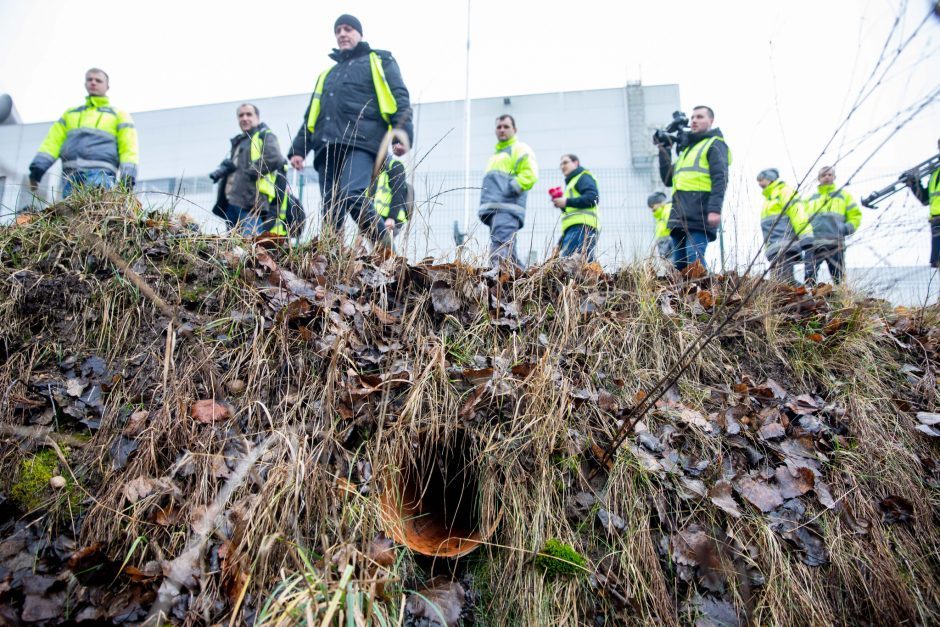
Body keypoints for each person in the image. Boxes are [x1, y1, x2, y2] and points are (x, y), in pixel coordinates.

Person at [288, 14, 413, 245]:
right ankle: (329, 264)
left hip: (363, 142)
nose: (342, 34)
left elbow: (399, 96)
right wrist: (298, 149)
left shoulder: (379, 60)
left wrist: (403, 133)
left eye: (348, 29)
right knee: (331, 209)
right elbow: (313, 115)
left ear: (360, 34)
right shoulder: (327, 75)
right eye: (338, 30)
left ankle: (388, 252)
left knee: (352, 194)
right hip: (327, 147)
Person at [28, 68, 139, 197]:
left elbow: (129, 147)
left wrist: (128, 176)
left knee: (97, 212)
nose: (93, 82)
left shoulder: (119, 115)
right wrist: (38, 168)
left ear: (107, 86)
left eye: (98, 80)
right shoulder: (70, 114)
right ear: (85, 84)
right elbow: (52, 142)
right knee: (71, 214)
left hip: (102, 173)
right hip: (71, 175)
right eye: (89, 79)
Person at [655, 106, 730, 272]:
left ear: (711, 121)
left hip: (700, 211)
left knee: (694, 258)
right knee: (680, 264)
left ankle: (703, 295)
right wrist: (664, 149)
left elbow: (720, 178)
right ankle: (685, 297)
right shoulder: (687, 150)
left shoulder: (715, 144)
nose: (694, 120)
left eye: (700, 117)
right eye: (693, 117)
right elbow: (668, 178)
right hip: (679, 213)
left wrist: (714, 210)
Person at [209, 103, 288, 237]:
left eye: (249, 114)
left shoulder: (264, 135)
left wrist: (248, 173)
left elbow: (274, 157)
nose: (244, 118)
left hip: (250, 201)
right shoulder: (239, 142)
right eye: (241, 115)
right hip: (231, 203)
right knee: (234, 249)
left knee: (250, 244)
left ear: (257, 117)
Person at [479, 115, 539, 268]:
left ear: (515, 129)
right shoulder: (496, 156)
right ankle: (523, 282)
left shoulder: (519, 149)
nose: (502, 130)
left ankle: (498, 283)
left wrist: (511, 189)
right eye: (499, 127)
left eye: (506, 126)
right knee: (508, 253)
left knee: (500, 250)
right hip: (496, 210)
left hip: (506, 208)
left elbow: (530, 174)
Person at [804, 166, 860, 284]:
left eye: (829, 174)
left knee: (839, 278)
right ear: (818, 179)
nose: (827, 177)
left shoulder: (844, 196)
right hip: (813, 244)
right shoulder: (809, 199)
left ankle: (842, 300)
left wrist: (845, 229)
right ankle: (809, 299)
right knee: (809, 277)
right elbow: (801, 220)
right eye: (824, 175)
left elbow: (855, 215)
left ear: (834, 177)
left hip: (835, 243)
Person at [756, 168, 813, 284]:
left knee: (782, 282)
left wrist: (806, 236)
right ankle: (804, 296)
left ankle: (807, 296)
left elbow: (798, 213)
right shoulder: (769, 199)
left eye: (761, 180)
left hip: (784, 244)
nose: (759, 183)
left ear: (770, 179)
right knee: (781, 282)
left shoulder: (784, 192)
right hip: (775, 247)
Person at [554, 154, 599, 260]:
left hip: (582, 227)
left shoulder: (583, 177)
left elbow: (593, 198)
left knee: (574, 266)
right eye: (560, 164)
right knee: (574, 265)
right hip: (575, 229)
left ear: (576, 163)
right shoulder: (572, 182)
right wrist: (560, 242)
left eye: (565, 162)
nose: (562, 166)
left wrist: (566, 202)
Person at [904, 137, 940, 267]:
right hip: (936, 221)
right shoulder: (935, 172)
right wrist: (914, 184)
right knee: (938, 261)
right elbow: (926, 200)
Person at [370, 139, 412, 249]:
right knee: (378, 251)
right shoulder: (375, 170)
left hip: (389, 218)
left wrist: (391, 218)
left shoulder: (395, 166)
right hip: (375, 216)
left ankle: (397, 265)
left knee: (385, 249)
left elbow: (397, 193)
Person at [648, 192, 674, 259]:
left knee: (672, 262)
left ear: (659, 203)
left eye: (652, 206)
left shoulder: (667, 209)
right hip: (662, 241)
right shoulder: (659, 214)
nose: (652, 209)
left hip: (669, 240)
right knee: (666, 262)